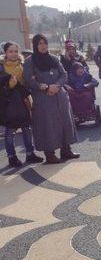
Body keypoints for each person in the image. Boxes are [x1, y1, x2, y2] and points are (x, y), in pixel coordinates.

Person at [23, 34, 79, 164]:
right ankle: (50, 154)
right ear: (35, 45)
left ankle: (66, 150)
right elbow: (28, 80)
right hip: (43, 98)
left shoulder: (53, 58)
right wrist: (44, 87)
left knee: (65, 122)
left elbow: (64, 74)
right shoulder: (30, 61)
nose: (43, 46)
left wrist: (57, 86)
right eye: (40, 43)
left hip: (60, 96)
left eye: (45, 43)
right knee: (48, 125)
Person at [0, 42, 42, 167]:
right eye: (10, 51)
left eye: (15, 51)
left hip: (23, 100)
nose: (13, 54)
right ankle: (12, 157)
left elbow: (27, 83)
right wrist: (8, 86)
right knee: (10, 130)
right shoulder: (1, 67)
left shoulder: (23, 65)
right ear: (5, 52)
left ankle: (30, 154)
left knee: (27, 128)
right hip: (8, 102)